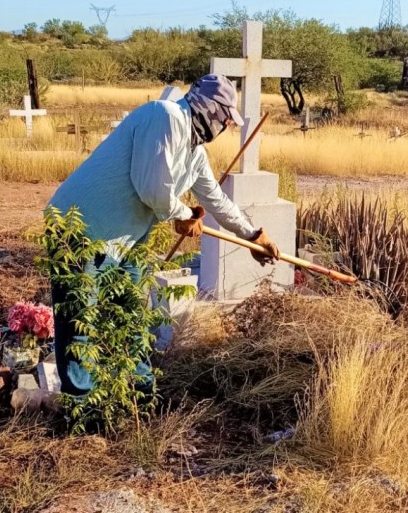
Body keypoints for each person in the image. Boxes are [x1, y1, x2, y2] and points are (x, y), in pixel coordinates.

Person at [47, 74, 280, 396]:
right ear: (210, 109)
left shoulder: (194, 153)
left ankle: (141, 393)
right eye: (225, 117)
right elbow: (153, 190)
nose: (226, 125)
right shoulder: (165, 116)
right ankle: (82, 407)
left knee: (130, 315)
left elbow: (216, 200)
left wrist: (255, 236)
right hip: (79, 230)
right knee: (78, 321)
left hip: (123, 242)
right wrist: (184, 215)